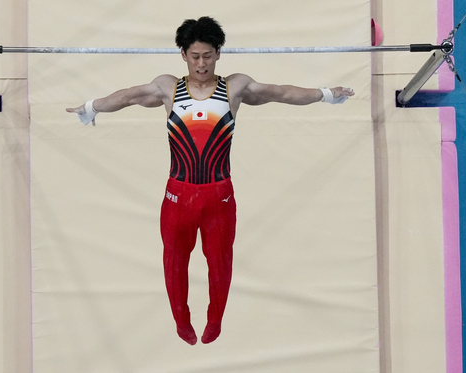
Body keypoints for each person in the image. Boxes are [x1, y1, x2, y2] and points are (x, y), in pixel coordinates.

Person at [66, 16, 354, 345]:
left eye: (207, 56)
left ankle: (215, 317)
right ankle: (181, 318)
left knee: (219, 261)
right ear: (183, 56)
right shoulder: (167, 87)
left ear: (218, 54)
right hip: (177, 195)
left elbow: (281, 92)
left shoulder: (235, 86)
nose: (201, 64)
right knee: (174, 260)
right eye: (194, 56)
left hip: (219, 197)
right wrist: (91, 107)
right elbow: (128, 96)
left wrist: (327, 94)